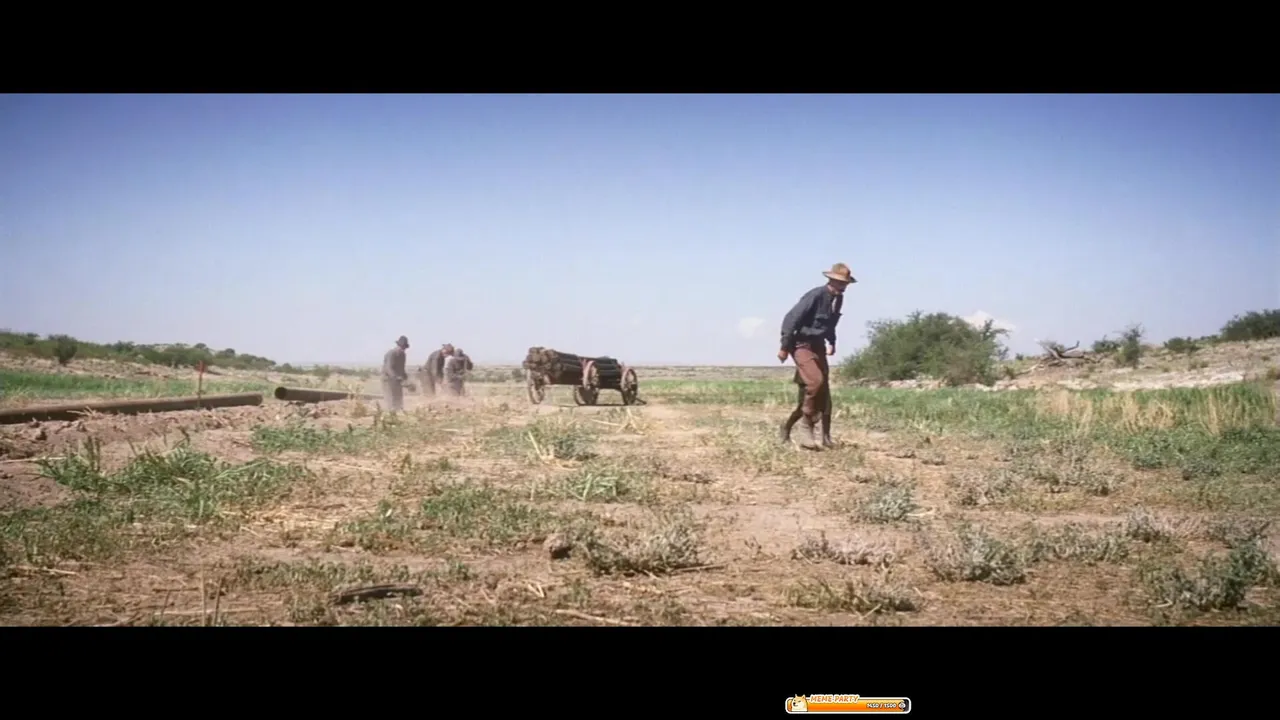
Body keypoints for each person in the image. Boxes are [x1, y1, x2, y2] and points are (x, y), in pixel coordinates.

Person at [778, 263, 854, 449]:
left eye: (845, 283)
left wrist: (832, 342)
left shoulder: (838, 299)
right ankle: (805, 426)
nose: (842, 286)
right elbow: (791, 319)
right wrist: (784, 346)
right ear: (831, 280)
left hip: (818, 346)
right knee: (815, 383)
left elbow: (831, 324)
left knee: (823, 393)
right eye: (839, 282)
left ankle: (825, 438)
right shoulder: (815, 295)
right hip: (801, 344)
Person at [381, 335, 410, 412]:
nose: (403, 349)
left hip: (397, 380)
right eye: (402, 347)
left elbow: (402, 369)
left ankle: (398, 411)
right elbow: (388, 368)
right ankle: (390, 412)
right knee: (391, 398)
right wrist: (396, 377)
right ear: (398, 345)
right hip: (388, 380)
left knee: (399, 398)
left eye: (404, 347)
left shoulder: (403, 355)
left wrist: (406, 379)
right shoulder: (391, 353)